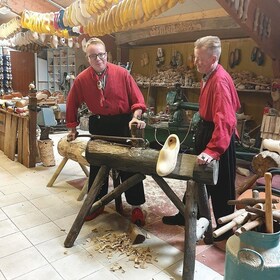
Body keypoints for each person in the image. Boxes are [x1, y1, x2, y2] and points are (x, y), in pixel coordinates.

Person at [162, 36, 241, 240]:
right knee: (195, 179)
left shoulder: (220, 81)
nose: (196, 62)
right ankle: (185, 214)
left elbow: (225, 120)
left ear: (214, 58)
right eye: (195, 57)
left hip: (218, 135)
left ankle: (225, 230)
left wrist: (213, 150)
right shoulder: (208, 74)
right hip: (207, 129)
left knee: (221, 185)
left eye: (200, 59)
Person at [66, 37, 147, 226]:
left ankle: (136, 206)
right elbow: (72, 104)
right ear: (88, 58)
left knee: (130, 164)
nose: (98, 59)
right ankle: (96, 203)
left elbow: (138, 100)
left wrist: (136, 117)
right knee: (97, 165)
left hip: (123, 123)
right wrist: (72, 128)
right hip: (99, 124)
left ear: (106, 54)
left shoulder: (122, 74)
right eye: (93, 56)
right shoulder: (82, 79)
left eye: (101, 54)